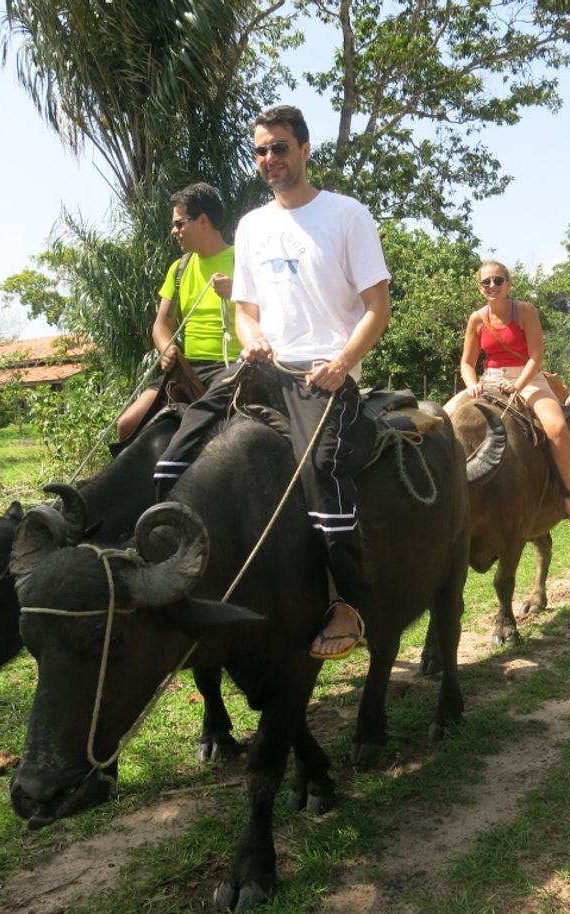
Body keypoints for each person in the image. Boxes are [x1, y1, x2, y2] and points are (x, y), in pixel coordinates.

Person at [152, 105, 390, 661]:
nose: (269, 160)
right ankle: (169, 569)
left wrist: (342, 362)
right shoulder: (252, 225)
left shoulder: (347, 215)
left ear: (305, 150)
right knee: (171, 452)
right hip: (259, 368)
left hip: (320, 373)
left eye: (279, 147)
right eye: (260, 150)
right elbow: (244, 309)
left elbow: (378, 308)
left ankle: (348, 603)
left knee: (318, 471)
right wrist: (252, 335)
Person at [444, 260, 570, 534]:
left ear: (509, 284)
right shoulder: (477, 318)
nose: (492, 286)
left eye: (498, 280)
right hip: (489, 381)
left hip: (527, 378)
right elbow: (467, 362)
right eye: (486, 282)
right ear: (479, 288)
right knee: (442, 421)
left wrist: (518, 384)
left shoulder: (525, 311)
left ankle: (569, 499)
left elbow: (536, 356)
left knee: (557, 427)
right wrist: (473, 384)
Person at [114, 183, 238, 445]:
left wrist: (237, 291)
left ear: (203, 220)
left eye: (179, 224)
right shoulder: (179, 269)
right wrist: (166, 347)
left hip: (232, 367)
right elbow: (162, 325)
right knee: (126, 424)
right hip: (187, 370)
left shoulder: (243, 260)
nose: (174, 231)